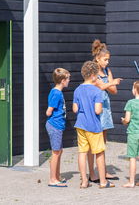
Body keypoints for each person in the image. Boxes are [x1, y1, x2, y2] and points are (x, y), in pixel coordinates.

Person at [73, 61, 114, 189]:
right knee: (99, 153)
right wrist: (100, 109)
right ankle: (103, 182)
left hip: (80, 125)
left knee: (82, 152)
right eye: (96, 75)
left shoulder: (77, 89)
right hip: (94, 126)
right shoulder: (97, 91)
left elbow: (75, 109)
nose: (97, 77)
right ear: (92, 75)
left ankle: (84, 181)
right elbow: (97, 110)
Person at [88, 39, 122, 183]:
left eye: (108, 59)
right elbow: (99, 86)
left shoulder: (107, 71)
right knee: (92, 142)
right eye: (105, 59)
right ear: (97, 58)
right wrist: (110, 83)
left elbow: (114, 90)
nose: (107, 62)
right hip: (96, 108)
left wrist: (109, 84)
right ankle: (92, 173)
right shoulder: (92, 71)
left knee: (103, 141)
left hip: (106, 109)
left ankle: (103, 171)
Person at [46, 68, 70, 187]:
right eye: (68, 79)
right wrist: (51, 112)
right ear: (62, 80)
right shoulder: (56, 93)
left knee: (59, 151)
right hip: (54, 125)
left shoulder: (57, 92)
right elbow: (48, 112)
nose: (69, 81)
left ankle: (57, 176)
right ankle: (52, 179)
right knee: (55, 152)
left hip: (58, 125)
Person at [121, 81, 139, 188]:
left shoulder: (130, 103)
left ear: (135, 90)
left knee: (132, 157)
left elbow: (127, 120)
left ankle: (131, 181)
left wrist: (123, 121)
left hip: (133, 133)